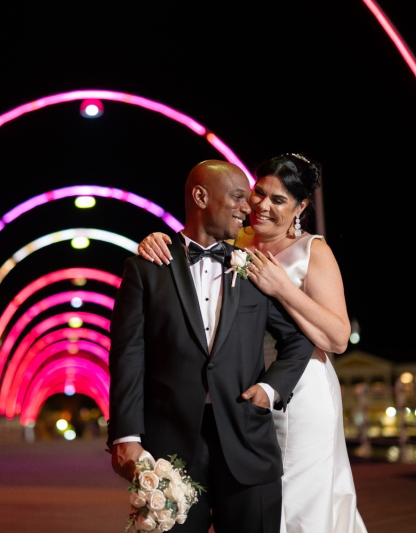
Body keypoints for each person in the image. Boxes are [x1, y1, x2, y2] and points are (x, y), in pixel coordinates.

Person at [139, 153, 367, 533]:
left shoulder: (313, 251)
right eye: (259, 193)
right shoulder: (237, 241)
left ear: (300, 207)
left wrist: (281, 288)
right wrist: (157, 240)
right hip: (244, 393)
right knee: (257, 501)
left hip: (301, 390)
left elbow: (338, 338)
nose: (261, 205)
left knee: (295, 500)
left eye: (278, 200)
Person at [108, 159, 315, 533]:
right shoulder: (146, 268)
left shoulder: (254, 268)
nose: (247, 208)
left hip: (247, 441)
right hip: (169, 450)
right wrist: (126, 436)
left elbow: (298, 339)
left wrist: (271, 389)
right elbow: (128, 357)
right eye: (238, 197)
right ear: (201, 196)